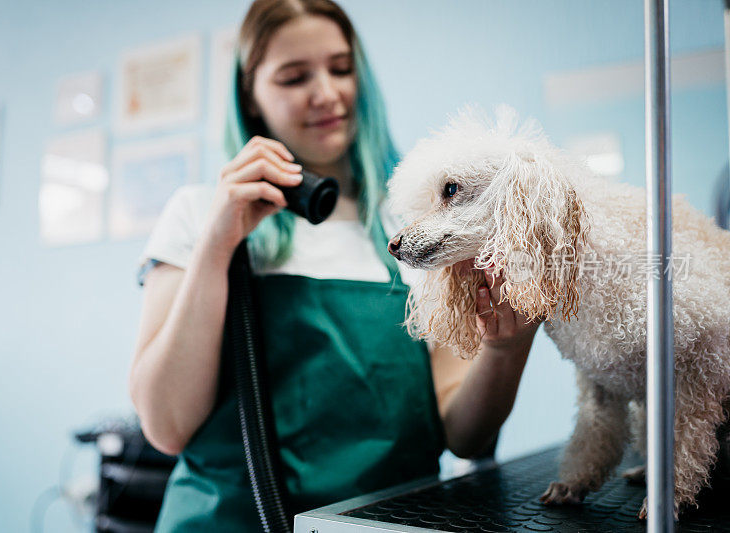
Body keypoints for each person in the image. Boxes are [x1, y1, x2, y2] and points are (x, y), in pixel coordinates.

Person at [128, 0, 540, 530]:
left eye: (341, 69)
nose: (327, 94)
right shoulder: (196, 213)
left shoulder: (417, 225)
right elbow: (166, 426)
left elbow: (464, 434)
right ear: (250, 97)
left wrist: (505, 347)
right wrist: (217, 243)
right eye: (295, 77)